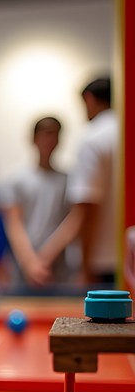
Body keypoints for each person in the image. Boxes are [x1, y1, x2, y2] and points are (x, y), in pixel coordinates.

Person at [39, 77, 118, 285]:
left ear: (88, 99)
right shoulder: (126, 131)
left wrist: (84, 268)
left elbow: (86, 210)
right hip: (127, 256)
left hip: (102, 261)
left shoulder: (93, 138)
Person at [0, 116, 72, 288]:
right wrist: (30, 263)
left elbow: (72, 222)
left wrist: (45, 259)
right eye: (45, 134)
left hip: (57, 267)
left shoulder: (69, 180)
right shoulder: (15, 180)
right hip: (22, 266)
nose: (49, 140)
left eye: (54, 134)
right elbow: (13, 223)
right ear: (34, 139)